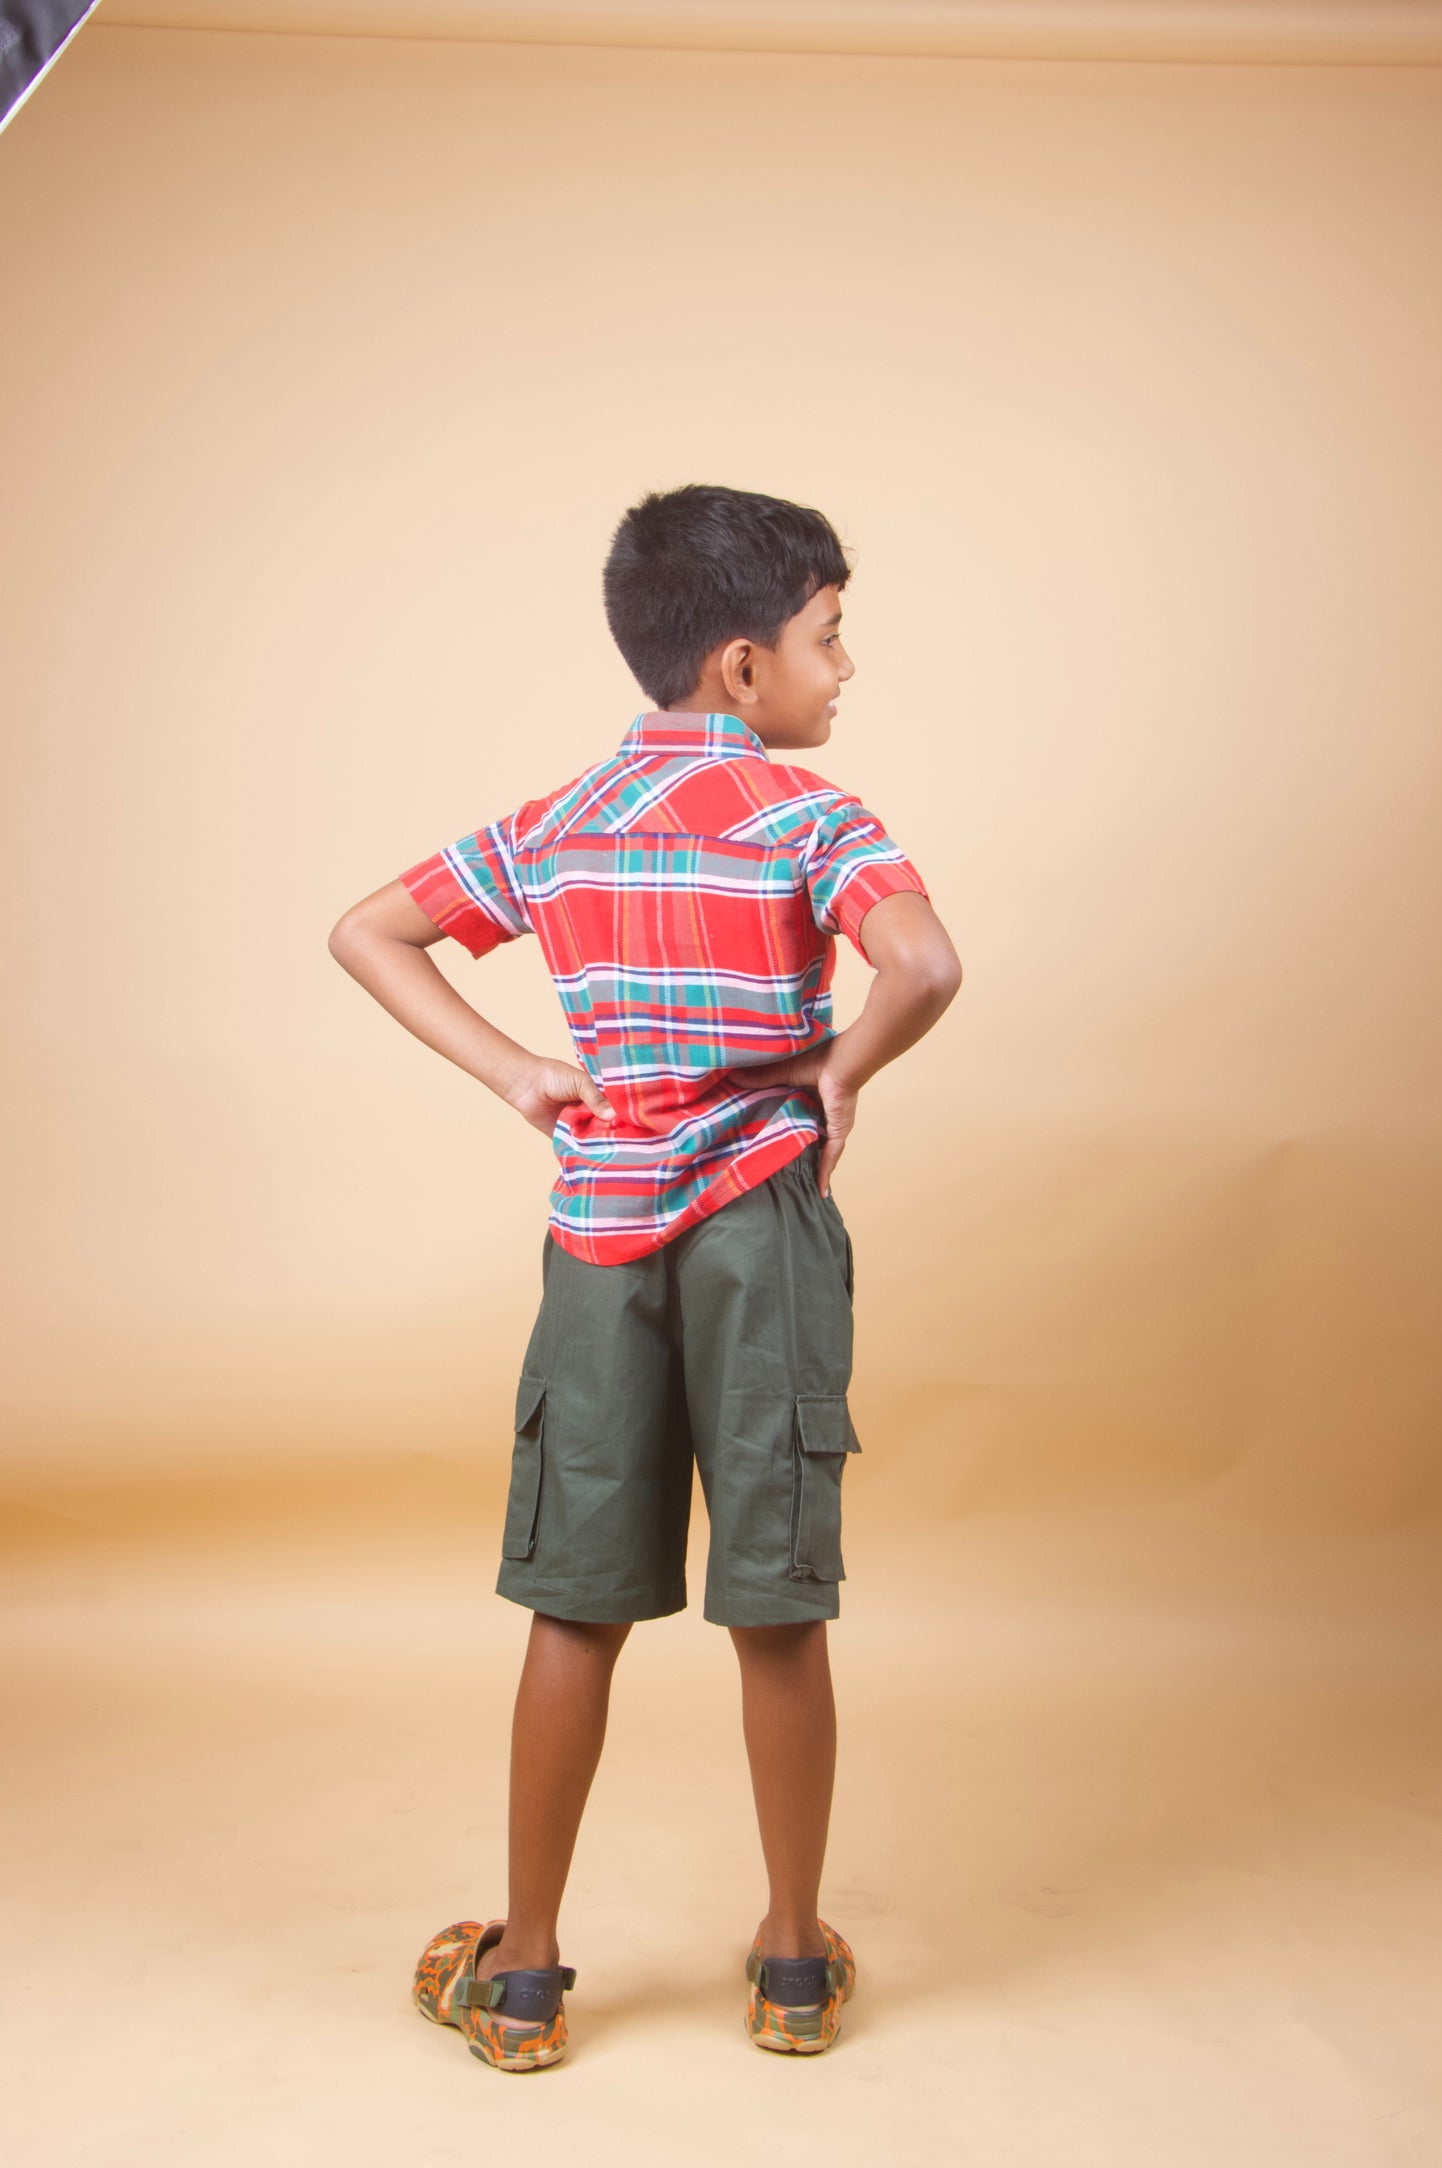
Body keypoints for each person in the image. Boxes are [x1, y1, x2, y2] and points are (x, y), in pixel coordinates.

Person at [328, 482, 962, 2070]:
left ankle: (529, 1975)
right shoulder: (816, 821)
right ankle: (794, 1963)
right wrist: (840, 1077)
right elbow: (925, 965)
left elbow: (368, 933)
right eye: (829, 638)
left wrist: (522, 1075)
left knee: (574, 1603)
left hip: (601, 1235)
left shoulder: (553, 822)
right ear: (743, 669)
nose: (846, 669)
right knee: (775, 1605)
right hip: (762, 1222)